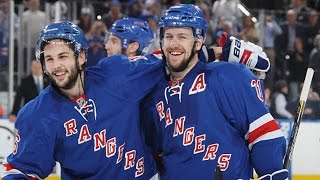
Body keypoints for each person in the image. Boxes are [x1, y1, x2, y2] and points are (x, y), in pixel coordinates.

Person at [141, 4, 288, 179]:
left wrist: (272, 172)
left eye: (182, 37)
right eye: (168, 36)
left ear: (198, 41)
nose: (173, 44)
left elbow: (262, 132)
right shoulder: (154, 94)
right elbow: (154, 154)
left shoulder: (227, 76)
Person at [2, 21, 163, 180]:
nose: (56, 65)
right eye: (49, 59)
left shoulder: (115, 74)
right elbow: (22, 171)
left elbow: (169, 59)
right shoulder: (37, 114)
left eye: (63, 56)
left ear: (81, 57)